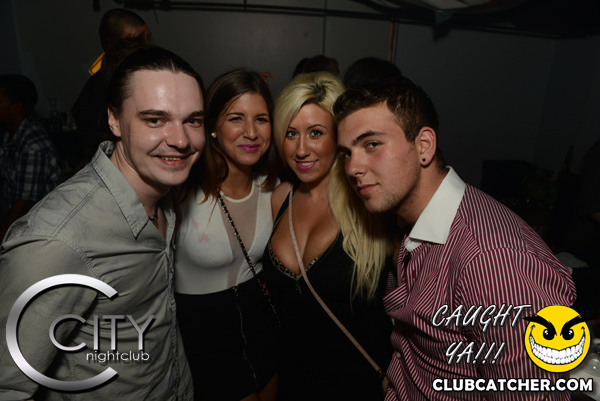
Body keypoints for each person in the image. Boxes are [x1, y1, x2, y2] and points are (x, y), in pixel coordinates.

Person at [333, 77, 577, 401]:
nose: (352, 167)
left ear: (424, 146)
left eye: (372, 144)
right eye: (346, 153)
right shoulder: (409, 222)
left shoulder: (493, 260)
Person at [0, 47, 205, 400]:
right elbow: (8, 385)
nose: (181, 140)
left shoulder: (165, 197)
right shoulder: (58, 240)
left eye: (193, 120)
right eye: (154, 120)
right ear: (114, 119)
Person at [262, 72, 392, 401]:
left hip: (358, 386)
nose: (301, 149)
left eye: (316, 133)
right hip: (292, 380)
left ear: (339, 136)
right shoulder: (281, 197)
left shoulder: (370, 206)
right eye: (291, 133)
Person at [175, 69, 280, 401]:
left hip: (263, 325)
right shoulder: (180, 191)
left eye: (261, 119)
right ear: (212, 127)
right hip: (203, 336)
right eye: (236, 118)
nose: (251, 132)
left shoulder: (273, 187)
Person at [71, 8, 153, 158]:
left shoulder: (152, 79)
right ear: (113, 48)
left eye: (148, 37)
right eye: (138, 41)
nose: (149, 45)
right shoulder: (97, 92)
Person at [0, 74, 62, 240]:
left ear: (17, 108)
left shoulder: (33, 145)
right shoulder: (9, 136)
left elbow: (23, 203)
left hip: (41, 231)